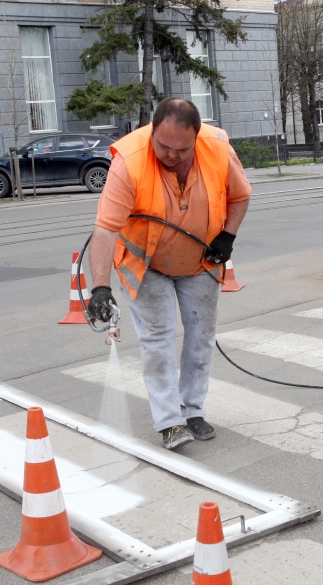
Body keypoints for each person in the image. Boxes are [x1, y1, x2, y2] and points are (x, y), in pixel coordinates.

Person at [87, 98, 250, 450]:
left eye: (182, 149)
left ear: (197, 136)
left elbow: (240, 196)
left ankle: (192, 410)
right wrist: (100, 287)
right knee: (157, 341)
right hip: (146, 264)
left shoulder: (218, 149)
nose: (171, 155)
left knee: (200, 336)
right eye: (163, 146)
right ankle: (169, 421)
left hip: (201, 258)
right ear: (152, 131)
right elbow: (104, 229)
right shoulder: (129, 162)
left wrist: (228, 237)